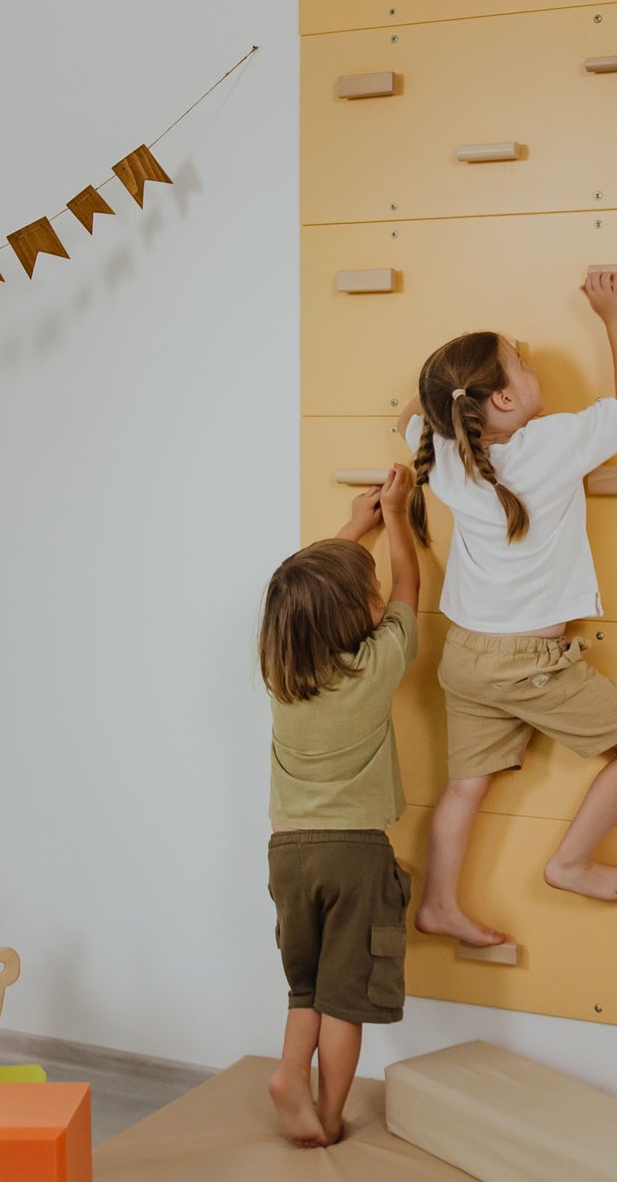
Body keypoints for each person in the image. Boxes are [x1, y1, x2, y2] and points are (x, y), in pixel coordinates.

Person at [400, 271, 617, 950]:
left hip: (465, 656)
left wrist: (463, 377)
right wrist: (612, 313)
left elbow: (415, 413)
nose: (530, 355)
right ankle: (569, 862)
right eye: (520, 360)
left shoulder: (445, 455)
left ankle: (436, 902)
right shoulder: (550, 445)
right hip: (529, 663)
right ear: (505, 396)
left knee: (464, 789)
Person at [258, 464, 418, 1147]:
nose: (381, 594)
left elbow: (302, 588)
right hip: (354, 854)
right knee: (343, 998)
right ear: (358, 615)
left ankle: (289, 1070)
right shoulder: (376, 665)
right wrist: (399, 518)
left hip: (288, 854)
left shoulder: (282, 671)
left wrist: (357, 521)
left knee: (305, 987)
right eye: (369, 591)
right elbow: (410, 586)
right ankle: (327, 1114)